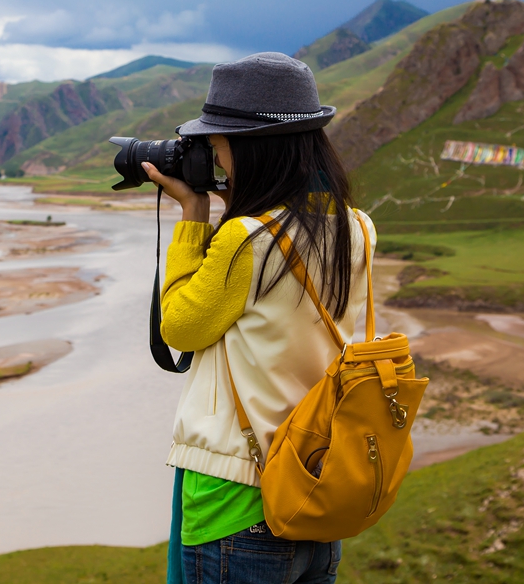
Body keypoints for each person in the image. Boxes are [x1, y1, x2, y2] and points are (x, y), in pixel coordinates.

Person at [141, 52, 375, 584]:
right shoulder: (357, 229)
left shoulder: (248, 239)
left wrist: (194, 217)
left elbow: (178, 327)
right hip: (314, 488)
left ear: (254, 149)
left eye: (220, 149)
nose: (218, 164)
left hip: (237, 500)